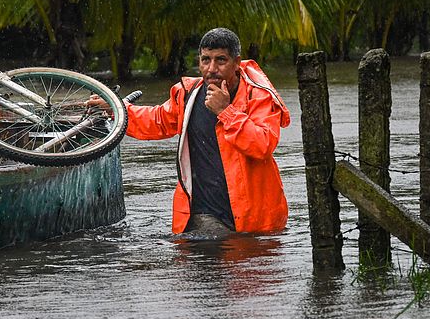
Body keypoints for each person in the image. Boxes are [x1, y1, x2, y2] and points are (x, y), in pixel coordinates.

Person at [91, 28, 290, 236]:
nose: (212, 68)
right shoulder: (188, 94)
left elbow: (262, 144)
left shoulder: (258, 96)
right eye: (205, 60)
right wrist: (116, 110)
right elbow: (157, 120)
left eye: (221, 60)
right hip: (202, 216)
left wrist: (225, 111)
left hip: (253, 221)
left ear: (237, 62)